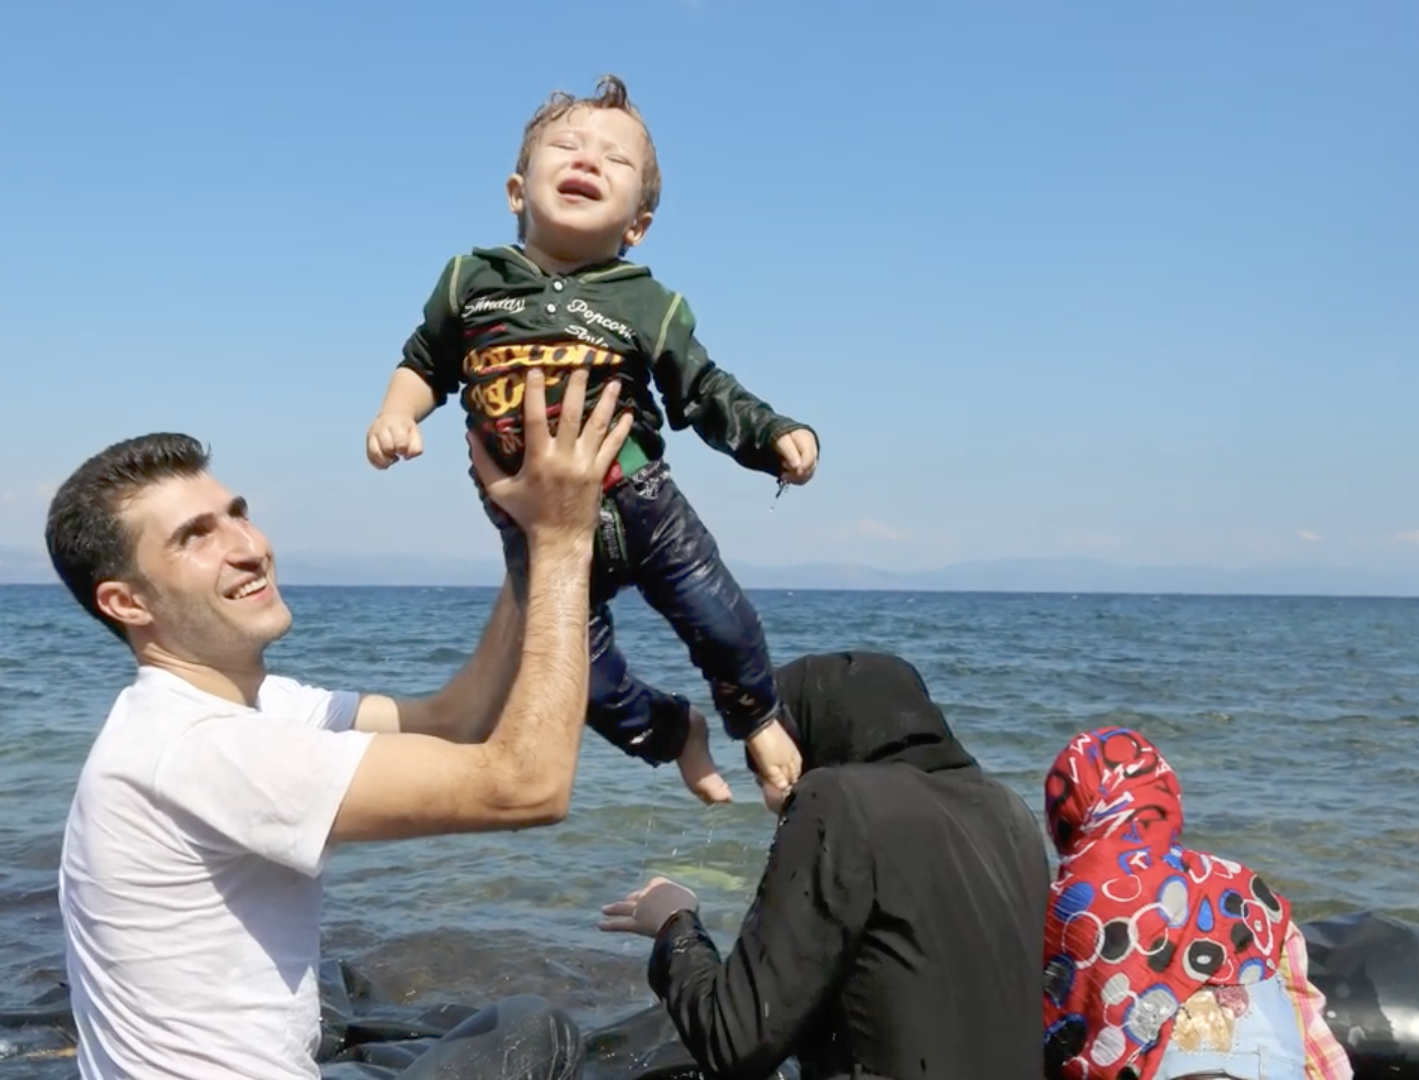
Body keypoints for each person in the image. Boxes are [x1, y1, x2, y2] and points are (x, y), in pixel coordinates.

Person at [44, 370, 624, 1080]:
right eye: (196, 537)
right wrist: (566, 542)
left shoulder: (250, 706)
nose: (248, 547)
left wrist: (525, 542)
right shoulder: (198, 748)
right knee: (535, 1032)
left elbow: (454, 723)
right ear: (127, 603)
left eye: (237, 513)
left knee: (507, 1030)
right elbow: (527, 787)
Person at [364, 74, 817, 809]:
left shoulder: (646, 300)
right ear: (517, 191)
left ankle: (760, 722)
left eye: (615, 158)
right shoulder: (470, 280)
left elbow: (703, 390)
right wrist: (396, 413)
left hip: (641, 501)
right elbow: (424, 363)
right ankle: (674, 732)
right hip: (532, 526)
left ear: (637, 224)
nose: (587, 160)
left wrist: (771, 435)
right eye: (568, 146)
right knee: (581, 684)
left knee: (720, 621)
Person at [598, 651, 1051, 1080]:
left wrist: (674, 925)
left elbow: (735, 1039)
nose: (777, 798)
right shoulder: (1009, 811)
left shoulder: (840, 800)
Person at [1041, 727, 1352, 1080]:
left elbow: (1054, 1040)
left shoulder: (1063, 910)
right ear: (1165, 796)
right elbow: (1311, 1036)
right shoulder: (1246, 890)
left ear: (1064, 814)